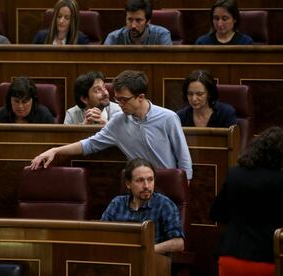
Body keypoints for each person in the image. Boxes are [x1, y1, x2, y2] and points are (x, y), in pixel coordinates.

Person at [30, 70, 193, 181]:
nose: (120, 104)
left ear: (140, 97)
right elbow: (89, 144)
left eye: (124, 100)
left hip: (169, 181)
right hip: (139, 184)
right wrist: (55, 150)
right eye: (117, 99)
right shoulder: (118, 122)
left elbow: (183, 157)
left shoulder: (168, 118)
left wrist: (184, 185)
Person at [210, 126, 283, 275]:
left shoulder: (235, 174)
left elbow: (216, 213)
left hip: (230, 256)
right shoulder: (279, 181)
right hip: (269, 259)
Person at [101, 159, 184, 254]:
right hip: (119, 259)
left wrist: (145, 251)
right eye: (140, 180)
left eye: (150, 179)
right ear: (128, 184)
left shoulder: (164, 204)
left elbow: (178, 243)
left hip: (151, 262)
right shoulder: (117, 203)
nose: (146, 186)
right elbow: (101, 234)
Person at [104, 0, 172, 45]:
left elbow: (170, 62)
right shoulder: (113, 38)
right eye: (130, 20)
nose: (133, 26)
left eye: (138, 20)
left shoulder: (161, 35)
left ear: (148, 21)